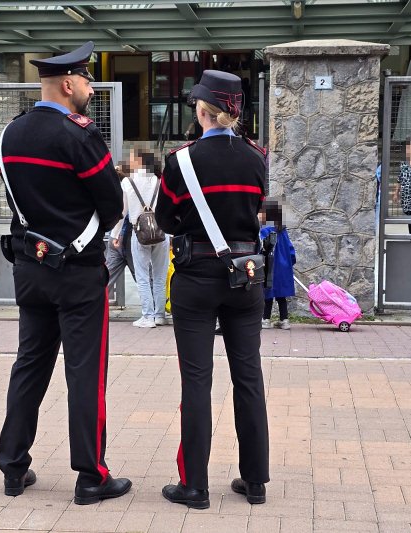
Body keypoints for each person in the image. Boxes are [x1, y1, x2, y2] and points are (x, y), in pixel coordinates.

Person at [0, 41, 131, 504]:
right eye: (89, 81)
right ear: (69, 84)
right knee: (84, 374)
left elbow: (19, 201)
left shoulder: (10, 134)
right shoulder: (80, 136)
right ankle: (91, 477)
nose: (91, 89)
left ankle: (13, 466)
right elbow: (112, 206)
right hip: (77, 272)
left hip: (30, 271)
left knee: (29, 366)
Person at [155, 70, 269, 509]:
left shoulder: (180, 161)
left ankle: (195, 487)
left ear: (202, 112)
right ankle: (255, 481)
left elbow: (165, 221)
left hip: (196, 277)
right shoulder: (258, 158)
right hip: (246, 277)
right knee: (249, 379)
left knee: (196, 382)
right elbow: (264, 210)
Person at [111, 148, 169, 327]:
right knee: (159, 276)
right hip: (161, 232)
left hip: (140, 233)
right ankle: (159, 315)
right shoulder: (160, 180)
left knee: (143, 275)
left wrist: (115, 235)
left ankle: (147, 316)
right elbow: (168, 209)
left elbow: (122, 212)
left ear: (139, 161)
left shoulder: (128, 182)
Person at [259, 200, 296, 330]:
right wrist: (290, 262)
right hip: (283, 267)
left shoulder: (265, 230)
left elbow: (262, 247)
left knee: (268, 293)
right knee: (281, 295)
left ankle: (266, 319)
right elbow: (291, 250)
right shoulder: (282, 230)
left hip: (269, 266)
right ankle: (284, 320)